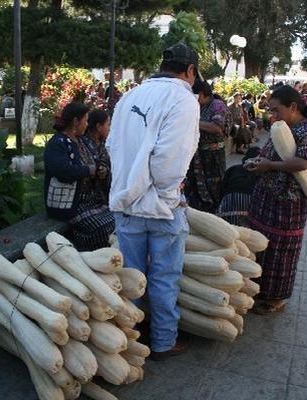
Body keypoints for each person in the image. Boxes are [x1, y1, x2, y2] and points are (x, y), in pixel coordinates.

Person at [106, 43, 200, 360]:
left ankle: (128, 344)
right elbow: (169, 161)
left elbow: (111, 145)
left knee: (130, 278)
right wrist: (170, 193)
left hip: (126, 205)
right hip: (162, 207)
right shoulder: (183, 99)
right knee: (163, 278)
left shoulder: (130, 96)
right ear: (190, 71)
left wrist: (128, 185)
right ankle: (162, 342)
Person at [245, 85, 307, 314]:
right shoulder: (282, 127)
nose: (273, 115)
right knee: (259, 245)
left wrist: (269, 165)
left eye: (276, 110)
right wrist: (256, 164)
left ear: (293, 107)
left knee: (280, 253)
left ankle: (276, 299)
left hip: (287, 203)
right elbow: (268, 153)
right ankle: (257, 290)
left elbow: (303, 163)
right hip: (266, 197)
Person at [44, 102, 115, 250]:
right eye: (86, 120)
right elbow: (63, 171)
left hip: (93, 202)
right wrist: (89, 170)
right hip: (73, 206)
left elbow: (98, 161)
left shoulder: (83, 141)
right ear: (76, 121)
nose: (87, 124)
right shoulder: (57, 143)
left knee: (120, 219)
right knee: (103, 228)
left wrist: (102, 170)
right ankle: (90, 254)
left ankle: (109, 257)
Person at [185, 80, 229, 213]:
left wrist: (192, 121)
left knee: (213, 186)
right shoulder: (198, 106)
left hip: (213, 156)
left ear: (202, 94)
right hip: (198, 156)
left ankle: (214, 214)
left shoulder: (217, 105)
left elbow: (216, 127)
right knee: (195, 187)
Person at [216, 147, 261, 226]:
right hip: (249, 206)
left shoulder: (233, 169)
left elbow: (222, 188)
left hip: (229, 202)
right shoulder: (261, 174)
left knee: (227, 226)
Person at [85, 109, 111, 202]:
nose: (110, 128)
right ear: (99, 127)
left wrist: (106, 169)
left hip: (104, 197)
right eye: (108, 124)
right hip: (88, 200)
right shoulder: (84, 145)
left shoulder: (104, 144)